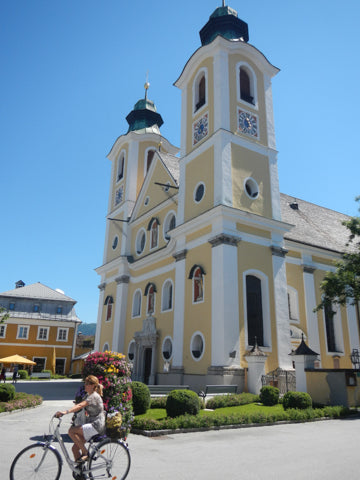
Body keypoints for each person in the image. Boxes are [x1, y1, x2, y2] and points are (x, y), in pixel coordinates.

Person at [56, 375, 105, 462]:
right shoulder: (88, 395)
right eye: (85, 383)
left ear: (93, 386)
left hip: (96, 425)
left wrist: (65, 412)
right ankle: (80, 472)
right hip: (90, 424)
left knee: (71, 431)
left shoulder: (94, 396)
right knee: (75, 449)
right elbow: (79, 405)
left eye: (87, 384)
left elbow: (81, 405)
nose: (85, 385)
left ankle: (86, 453)